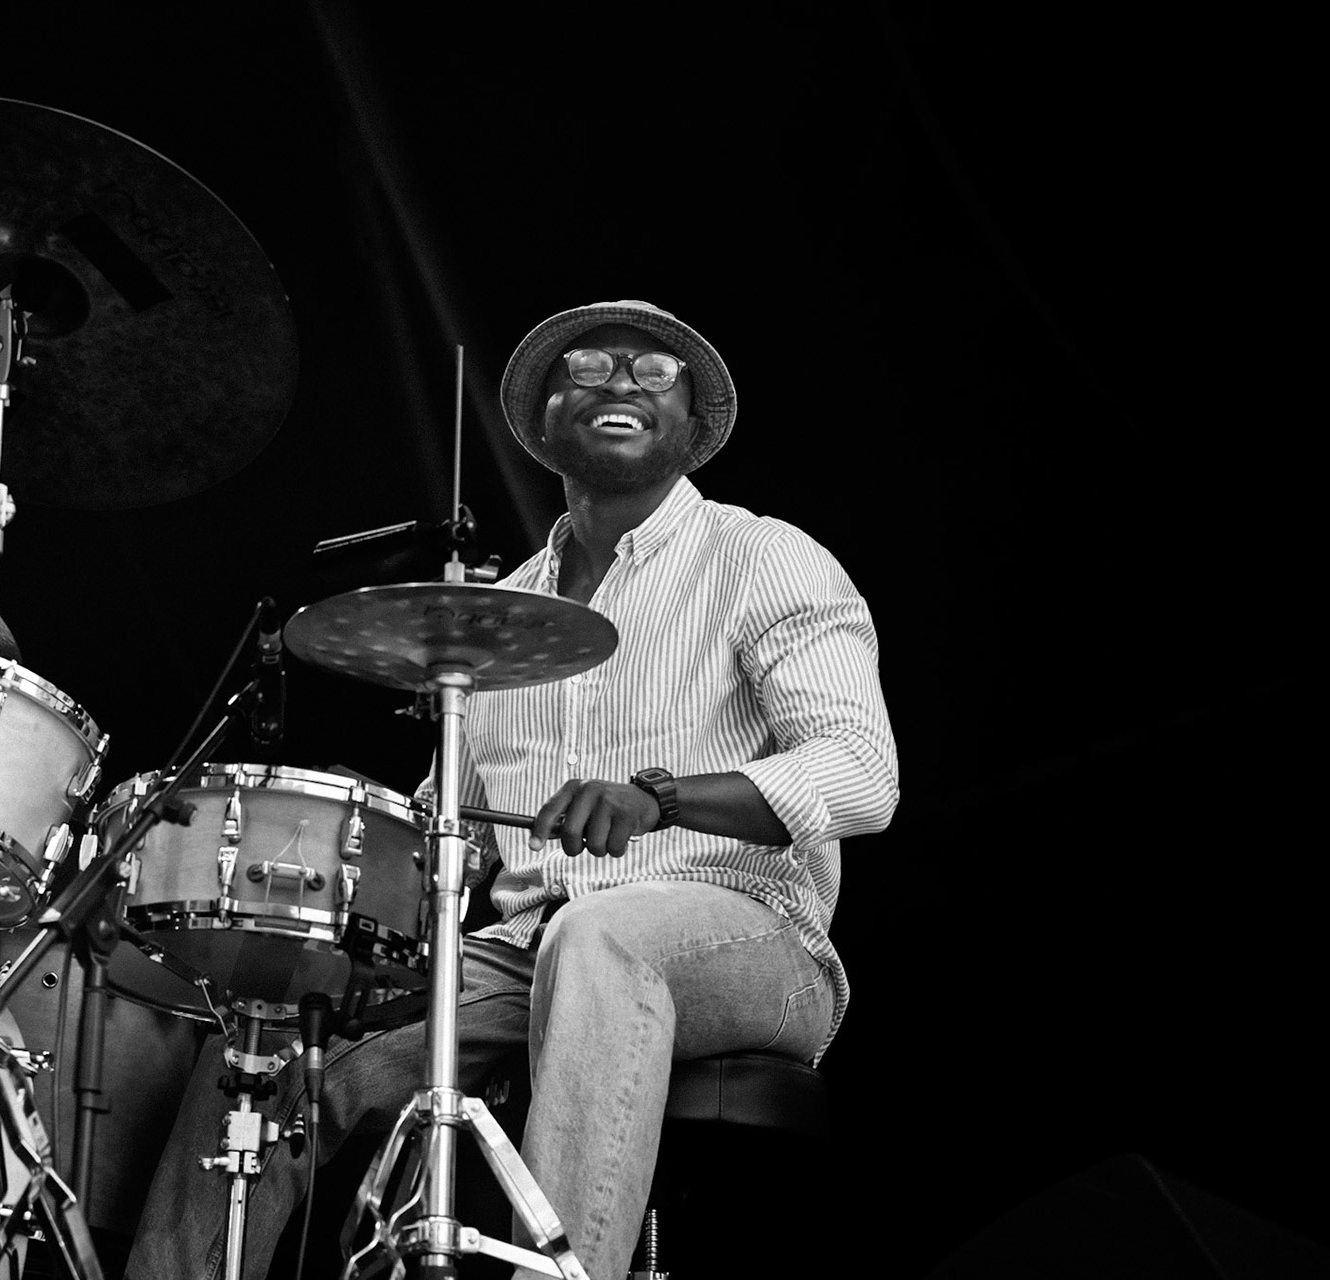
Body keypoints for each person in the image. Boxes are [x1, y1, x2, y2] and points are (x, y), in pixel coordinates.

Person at [124, 299, 899, 1280]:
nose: (620, 380)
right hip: (520, 953)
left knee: (599, 937)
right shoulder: (497, 618)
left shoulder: (758, 555)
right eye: (588, 365)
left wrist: (658, 796)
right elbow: (450, 833)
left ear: (691, 421)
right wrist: (336, 847)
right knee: (273, 1028)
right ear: (542, 416)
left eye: (652, 370)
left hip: (753, 940)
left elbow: (862, 773)